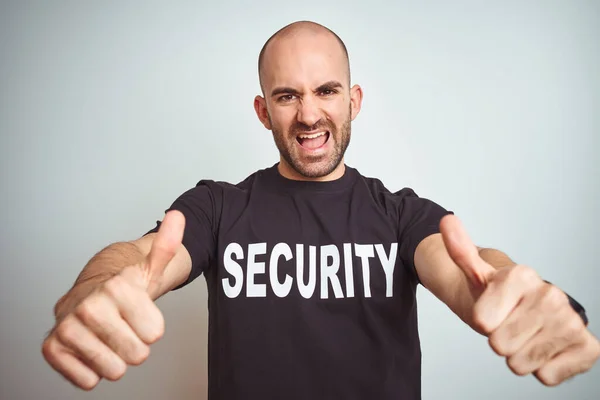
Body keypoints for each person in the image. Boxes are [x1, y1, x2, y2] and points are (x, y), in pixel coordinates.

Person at [42, 20, 599, 399]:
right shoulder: (215, 207)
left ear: (353, 101)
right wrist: (93, 291)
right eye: (287, 96)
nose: (309, 115)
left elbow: (469, 267)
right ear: (264, 112)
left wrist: (519, 294)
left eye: (327, 91)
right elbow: (137, 259)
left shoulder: (401, 214)